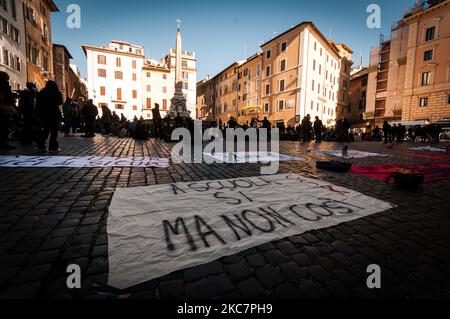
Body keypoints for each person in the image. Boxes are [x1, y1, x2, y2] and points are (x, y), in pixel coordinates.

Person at [35, 81, 63, 151]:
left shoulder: (42, 92)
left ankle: (40, 143)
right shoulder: (55, 92)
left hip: (43, 114)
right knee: (54, 130)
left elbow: (37, 103)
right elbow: (60, 102)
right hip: (53, 113)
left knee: (46, 129)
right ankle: (53, 146)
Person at [0, 71, 17, 150]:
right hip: (4, 108)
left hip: (4, 107)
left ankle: (3, 143)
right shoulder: (3, 85)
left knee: (4, 127)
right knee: (4, 127)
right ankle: (3, 144)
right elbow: (7, 96)